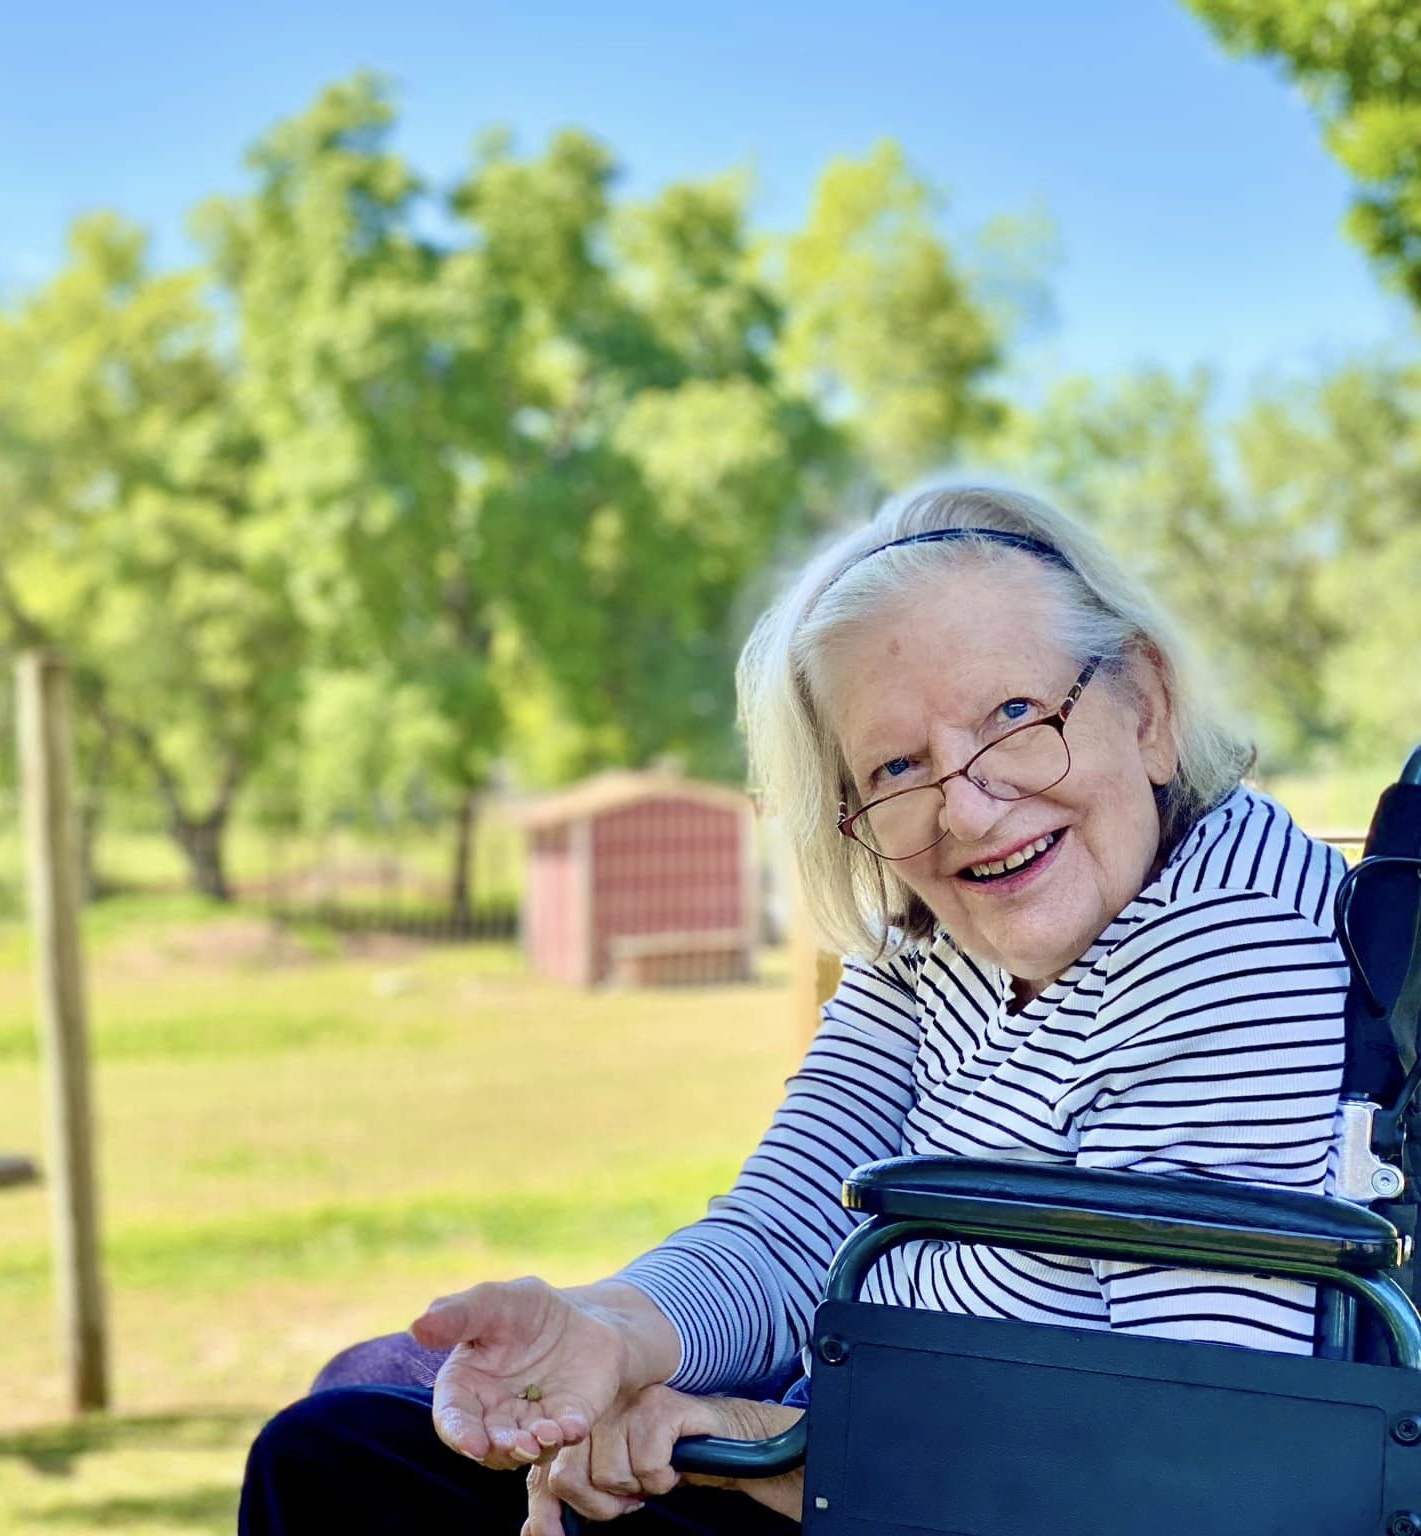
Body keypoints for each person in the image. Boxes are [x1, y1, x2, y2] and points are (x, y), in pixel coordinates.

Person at [241, 485, 1353, 1534]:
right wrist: (609, 1334)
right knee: (391, 1390)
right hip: (873, 1437)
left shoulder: (1226, 947)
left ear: (1145, 709)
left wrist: (756, 1447)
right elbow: (782, 1233)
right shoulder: (938, 939)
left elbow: (1189, 1461)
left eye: (1013, 714)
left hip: (937, 1490)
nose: (964, 809)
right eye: (895, 767)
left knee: (333, 1466)